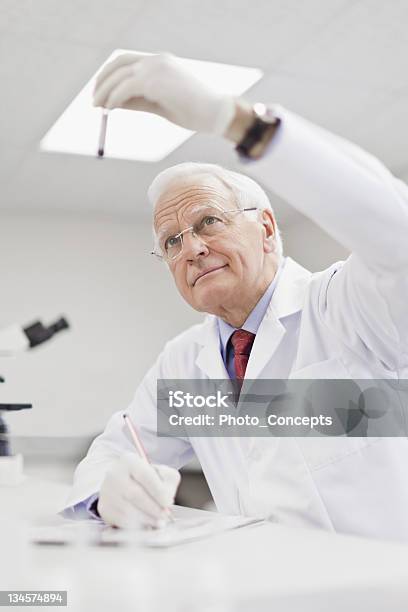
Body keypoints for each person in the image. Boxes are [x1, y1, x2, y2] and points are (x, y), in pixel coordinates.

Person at [64, 53, 408, 540]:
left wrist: (237, 121)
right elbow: (119, 449)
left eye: (208, 221)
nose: (192, 249)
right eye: (171, 241)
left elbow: (398, 234)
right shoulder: (186, 362)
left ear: (266, 227)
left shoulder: (348, 309)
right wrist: (106, 493)